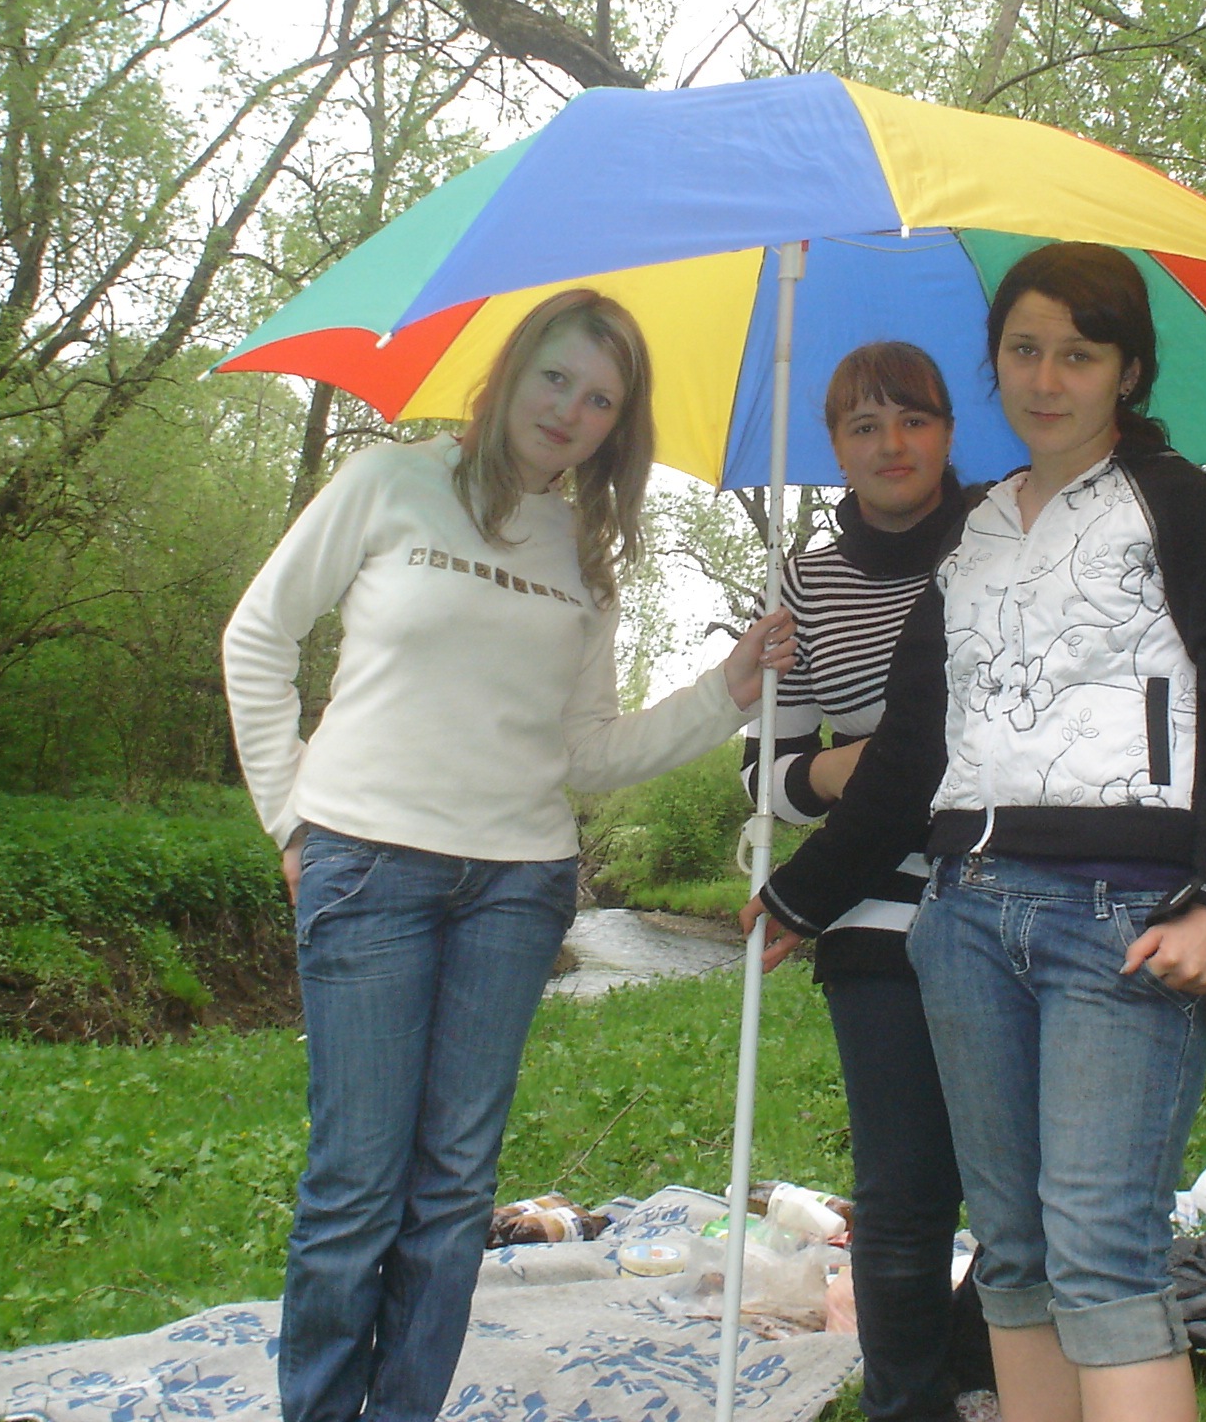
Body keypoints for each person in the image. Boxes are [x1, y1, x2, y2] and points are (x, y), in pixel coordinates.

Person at [746, 245, 1206, 1422]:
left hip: (1121, 921)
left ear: (1128, 370)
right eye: (1023, 350)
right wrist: (802, 895)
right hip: (963, 923)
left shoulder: (1185, 506)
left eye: (1078, 354)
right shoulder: (978, 534)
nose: (1046, 379)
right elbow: (913, 748)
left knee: (1101, 1251)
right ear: (994, 362)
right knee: (1012, 1251)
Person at [223, 288, 794, 1422]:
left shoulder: (585, 555)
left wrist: (727, 690)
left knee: (451, 1192)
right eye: (556, 377)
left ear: (616, 427)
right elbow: (259, 635)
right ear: (510, 371)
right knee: (355, 1184)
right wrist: (291, 817)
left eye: (601, 400)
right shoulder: (389, 481)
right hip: (366, 865)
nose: (570, 410)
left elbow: (587, 753)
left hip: (517, 889)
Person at [734, 342, 994, 1422]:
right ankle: (907, 1404)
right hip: (868, 894)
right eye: (864, 426)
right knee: (903, 1190)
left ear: (949, 432)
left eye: (914, 420)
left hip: (1009, 884)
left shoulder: (1009, 535)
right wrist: (860, 769)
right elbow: (767, 778)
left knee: (1025, 1184)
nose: (892, 446)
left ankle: (985, 1364)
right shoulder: (805, 582)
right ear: (834, 447)